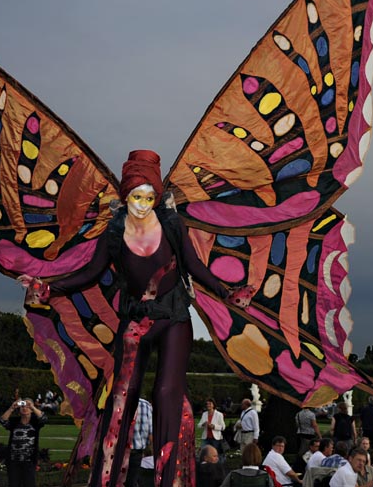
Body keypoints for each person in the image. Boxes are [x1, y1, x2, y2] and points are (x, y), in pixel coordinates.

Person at [20, 150, 250, 487]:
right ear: (125, 196)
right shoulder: (114, 232)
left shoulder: (171, 224)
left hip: (173, 318)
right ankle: (105, 480)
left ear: (157, 197)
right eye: (135, 197)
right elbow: (91, 273)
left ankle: (167, 481)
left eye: (148, 197)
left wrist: (226, 291)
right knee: (120, 398)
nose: (142, 204)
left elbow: (194, 266)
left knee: (166, 392)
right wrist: (50, 288)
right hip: (134, 322)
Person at [0, 397, 47, 487]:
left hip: (29, 461)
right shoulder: (15, 421)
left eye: (27, 407)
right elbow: (3, 421)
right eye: (22, 406)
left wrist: (32, 407)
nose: (25, 408)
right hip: (13, 461)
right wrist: (12, 408)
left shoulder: (35, 422)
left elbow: (44, 418)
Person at [128, 398, 153, 487]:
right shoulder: (145, 405)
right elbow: (151, 434)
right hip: (136, 452)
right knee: (132, 481)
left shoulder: (118, 402)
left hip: (118, 451)